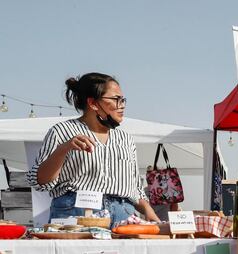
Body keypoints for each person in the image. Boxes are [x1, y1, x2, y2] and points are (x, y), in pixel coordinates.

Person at [27, 73, 159, 226]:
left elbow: (135, 187)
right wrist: (63, 149)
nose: (122, 105)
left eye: (123, 100)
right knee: (76, 250)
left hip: (124, 215)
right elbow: (40, 182)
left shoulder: (125, 139)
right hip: (77, 212)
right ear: (93, 103)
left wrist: (149, 211)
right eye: (116, 99)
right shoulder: (62, 131)